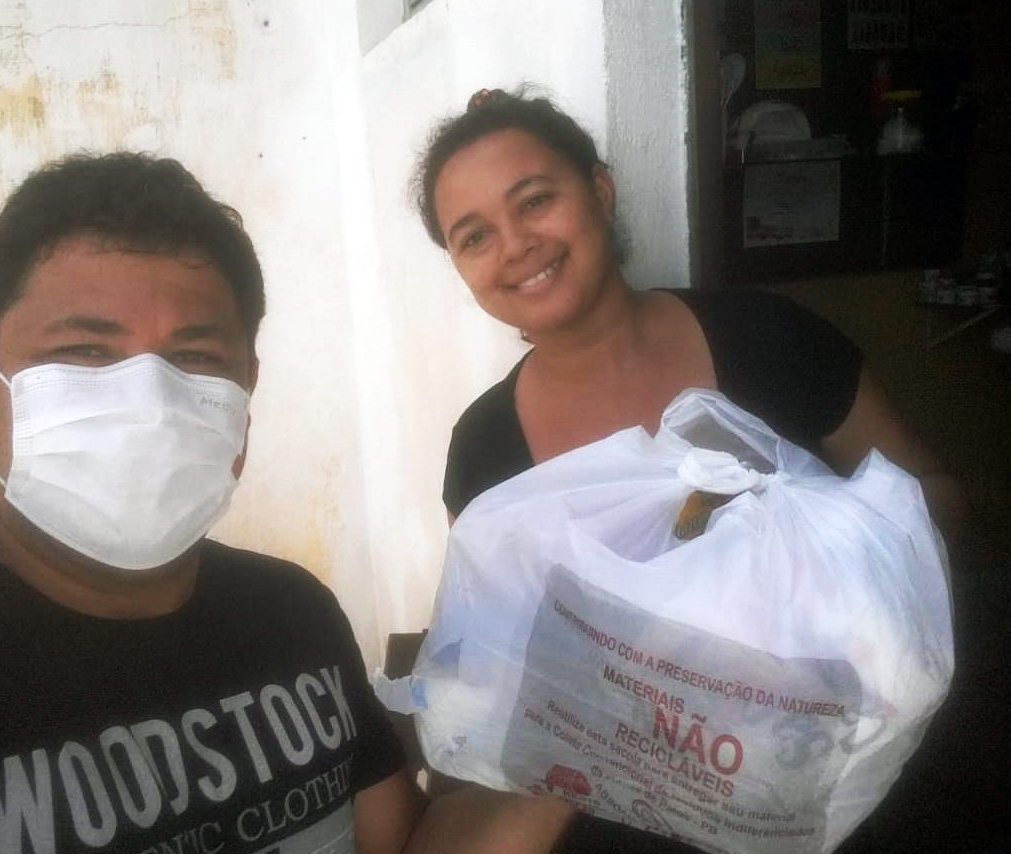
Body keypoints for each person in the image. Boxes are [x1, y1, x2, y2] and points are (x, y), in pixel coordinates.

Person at [0, 152, 572, 854]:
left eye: (194, 357)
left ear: (245, 390)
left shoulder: (290, 612)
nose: (148, 399)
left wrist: (584, 732)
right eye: (85, 352)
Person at [413, 88, 967, 851]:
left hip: (830, 796)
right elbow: (490, 662)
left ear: (599, 192)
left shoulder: (768, 339)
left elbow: (935, 495)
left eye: (536, 200)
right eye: (474, 236)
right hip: (627, 828)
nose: (515, 245)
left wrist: (815, 555)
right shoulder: (485, 448)